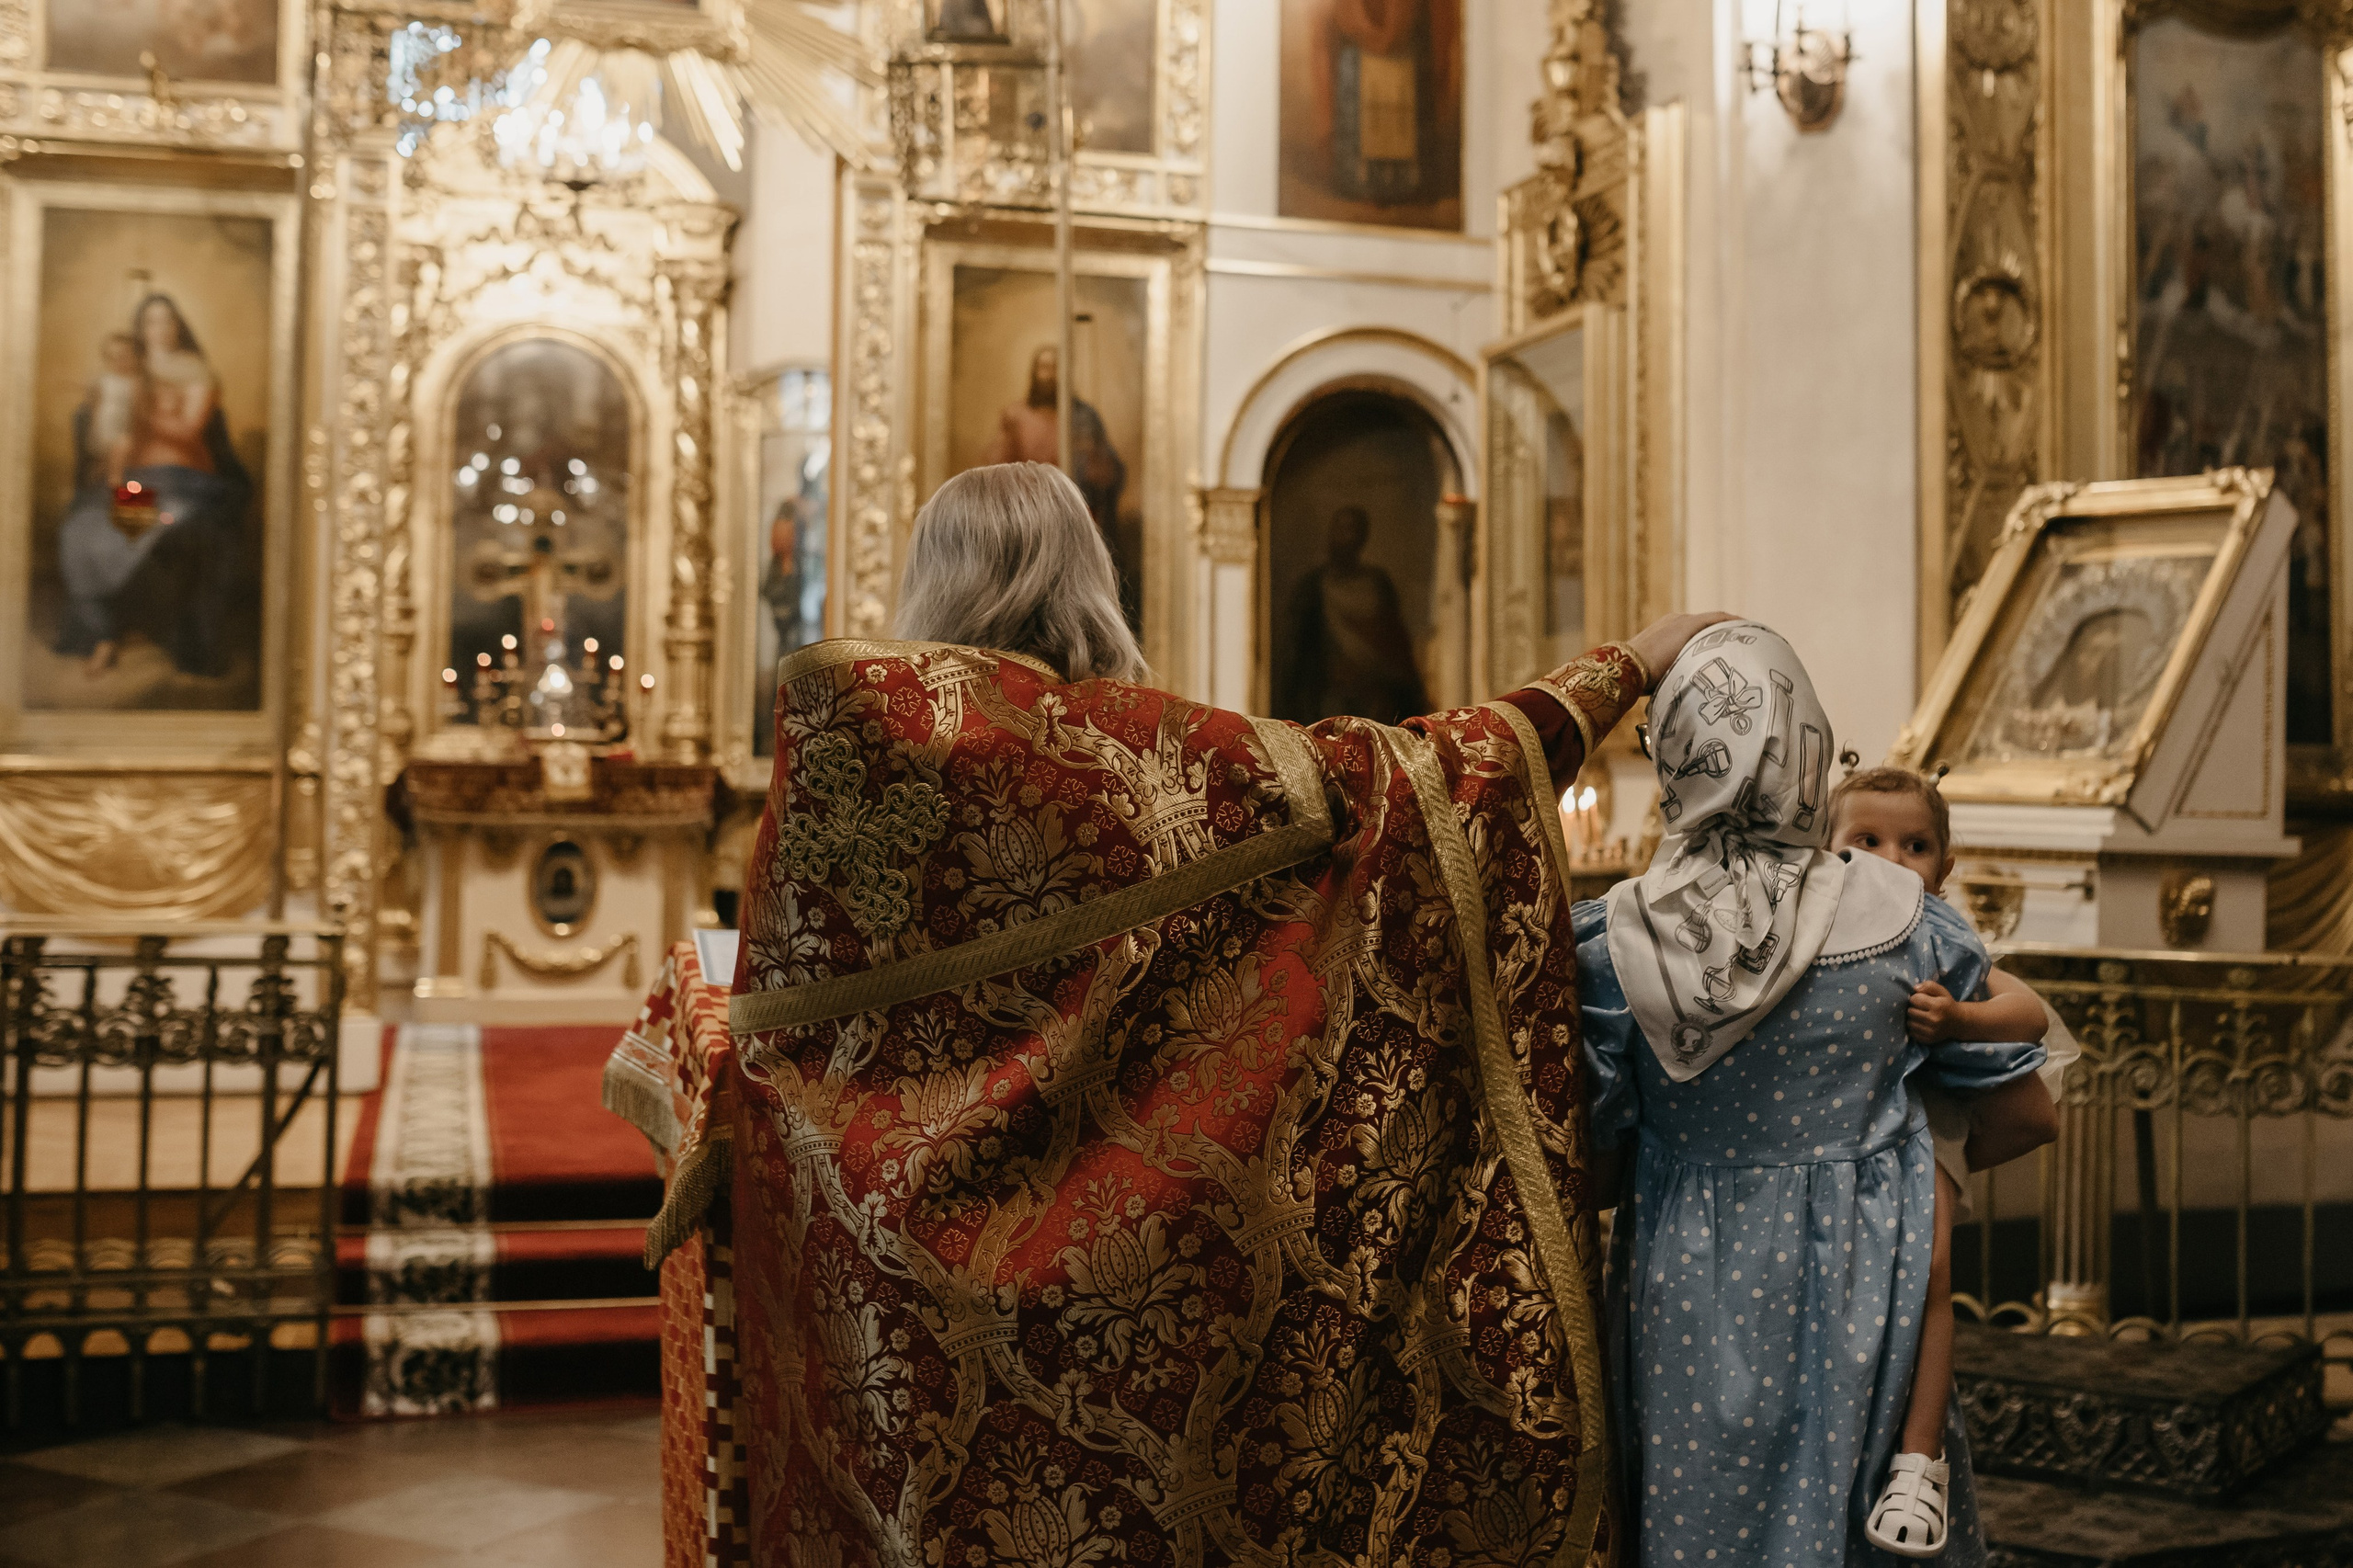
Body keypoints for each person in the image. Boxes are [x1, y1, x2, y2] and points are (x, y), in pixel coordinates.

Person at [724, 460, 1733, 1566]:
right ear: (1086, 577)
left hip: (892, 1277)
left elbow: (777, 1036)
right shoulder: (1130, 755)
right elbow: (1414, 777)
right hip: (1123, 1281)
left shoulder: (835, 742)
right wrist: (1626, 663)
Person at [1574, 620, 2051, 1566]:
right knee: (1859, 1517)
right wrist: (1886, 1156)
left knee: (1700, 1514)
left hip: (1688, 1281)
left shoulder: (1613, 941)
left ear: (1677, 753)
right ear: (1806, 749)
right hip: (1862, 1264)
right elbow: (2026, 1112)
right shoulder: (1901, 917)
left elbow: (1584, 1162)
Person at [1828, 766, 2067, 1557]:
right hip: (1849, 1132)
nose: (1892, 860)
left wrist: (1959, 1017)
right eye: (1866, 841)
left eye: (1916, 845)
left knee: (1931, 1269)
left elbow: (2028, 1011)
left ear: (1945, 866)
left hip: (1928, 1116)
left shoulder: (1939, 930)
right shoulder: (1817, 923)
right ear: (1823, 850)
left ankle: (1918, 1460)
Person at [53, 292, 250, 680]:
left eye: (167, 321)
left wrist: (142, 411)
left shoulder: (195, 369)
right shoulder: (131, 370)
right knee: (86, 531)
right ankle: (104, 635)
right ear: (141, 330)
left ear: (179, 326)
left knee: (151, 527)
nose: (160, 329)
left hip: (185, 479)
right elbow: (114, 435)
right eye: (151, 322)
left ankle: (162, 633)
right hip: (138, 481)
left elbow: (191, 431)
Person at [1279, 503, 1431, 725]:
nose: (1344, 537)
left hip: (1378, 698)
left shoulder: (1378, 584)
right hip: (1328, 699)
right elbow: (1296, 654)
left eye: (1351, 530)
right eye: (1339, 529)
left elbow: (1396, 645)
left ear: (1362, 537)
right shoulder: (1312, 588)